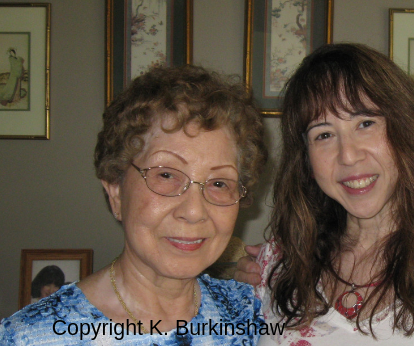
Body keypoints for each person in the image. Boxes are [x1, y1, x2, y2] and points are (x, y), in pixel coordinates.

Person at [235, 43, 414, 345]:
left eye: (365, 123)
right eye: (324, 134)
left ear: (405, 130)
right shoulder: (276, 265)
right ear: (305, 158)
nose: (348, 155)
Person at [0, 65, 267, 345]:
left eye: (219, 183)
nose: (193, 212)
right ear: (116, 191)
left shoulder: (253, 316)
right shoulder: (31, 338)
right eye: (166, 175)